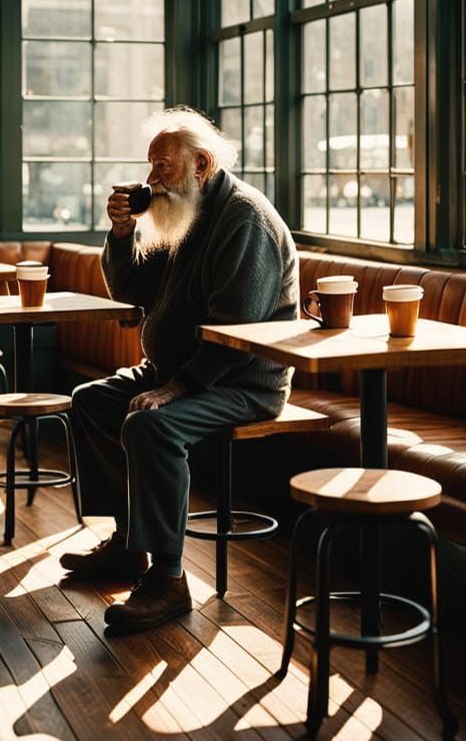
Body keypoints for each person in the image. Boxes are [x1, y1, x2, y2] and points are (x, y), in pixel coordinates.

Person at [59, 106, 298, 632]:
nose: (151, 179)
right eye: (151, 165)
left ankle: (168, 579)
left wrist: (176, 388)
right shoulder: (183, 212)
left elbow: (236, 333)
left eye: (162, 166)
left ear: (201, 165)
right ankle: (129, 543)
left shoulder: (244, 219)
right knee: (91, 401)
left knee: (151, 426)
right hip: (181, 371)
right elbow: (130, 289)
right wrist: (122, 233)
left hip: (242, 381)